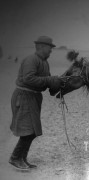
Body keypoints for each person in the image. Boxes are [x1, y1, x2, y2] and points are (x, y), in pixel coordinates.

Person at [9, 36, 64, 170]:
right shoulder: (31, 60)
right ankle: (15, 158)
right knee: (28, 130)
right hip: (24, 96)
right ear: (40, 47)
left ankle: (22, 158)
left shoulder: (44, 62)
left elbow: (47, 82)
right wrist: (50, 80)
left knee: (32, 131)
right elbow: (29, 79)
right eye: (49, 48)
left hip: (33, 97)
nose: (51, 51)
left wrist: (59, 84)